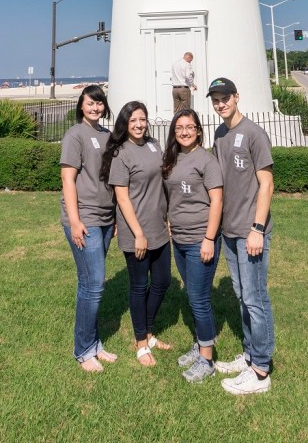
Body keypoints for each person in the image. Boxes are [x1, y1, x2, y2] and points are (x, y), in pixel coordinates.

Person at [209, 77, 275, 395]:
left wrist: (257, 229)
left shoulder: (254, 134)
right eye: (215, 100)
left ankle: (261, 371)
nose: (221, 104)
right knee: (241, 297)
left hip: (250, 231)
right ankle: (250, 355)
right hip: (229, 230)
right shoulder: (220, 134)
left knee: (255, 298)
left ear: (237, 97)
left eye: (225, 98)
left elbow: (267, 183)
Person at [100, 101, 172, 366]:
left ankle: (148, 330)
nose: (139, 125)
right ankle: (141, 342)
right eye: (133, 121)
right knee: (139, 286)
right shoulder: (121, 154)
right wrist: (138, 234)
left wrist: (167, 218)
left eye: (142, 119)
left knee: (163, 281)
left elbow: (162, 183)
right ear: (124, 124)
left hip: (159, 226)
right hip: (136, 231)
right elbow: (122, 197)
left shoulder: (154, 145)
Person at [162, 108, 223, 384]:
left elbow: (217, 201)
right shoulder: (172, 158)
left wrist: (209, 238)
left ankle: (207, 359)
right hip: (180, 239)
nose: (184, 132)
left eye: (189, 127)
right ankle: (201, 343)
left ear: (198, 130)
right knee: (193, 295)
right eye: (179, 128)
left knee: (199, 299)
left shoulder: (206, 161)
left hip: (201, 238)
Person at [60, 85, 117, 373]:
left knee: (91, 284)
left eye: (99, 103)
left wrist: (115, 217)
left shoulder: (107, 135)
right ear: (81, 106)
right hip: (85, 219)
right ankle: (83, 349)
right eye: (90, 103)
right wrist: (75, 221)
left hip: (105, 217)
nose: (95, 108)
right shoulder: (75, 135)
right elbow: (68, 179)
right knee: (93, 284)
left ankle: (94, 343)